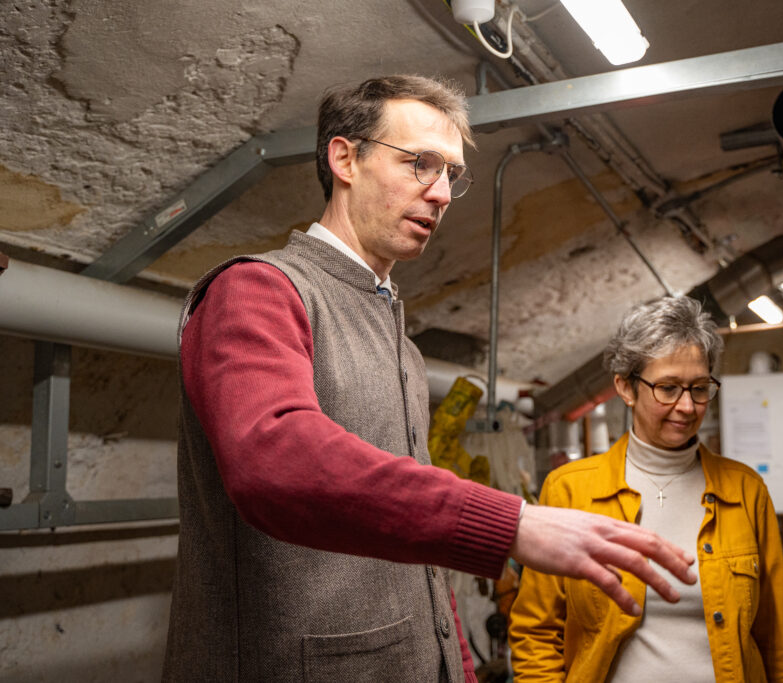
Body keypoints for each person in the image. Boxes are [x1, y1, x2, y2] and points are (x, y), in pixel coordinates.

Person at [162, 75, 698, 683]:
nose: (442, 193)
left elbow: (419, 555)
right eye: (421, 164)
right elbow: (274, 460)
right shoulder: (258, 291)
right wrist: (512, 523)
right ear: (345, 158)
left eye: (451, 174)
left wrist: (459, 668)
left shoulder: (404, 349)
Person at [508, 295, 783, 682]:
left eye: (699, 388)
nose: (687, 406)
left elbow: (772, 637)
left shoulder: (745, 490)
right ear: (625, 388)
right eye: (668, 388)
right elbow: (536, 632)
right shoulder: (570, 491)